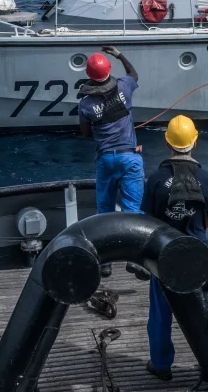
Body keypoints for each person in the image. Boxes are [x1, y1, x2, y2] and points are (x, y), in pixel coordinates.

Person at [140, 115, 208, 382]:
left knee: (160, 315)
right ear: (195, 142)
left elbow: (148, 221)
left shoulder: (155, 180)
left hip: (165, 256)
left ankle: (161, 365)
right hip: (199, 255)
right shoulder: (207, 178)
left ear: (167, 143)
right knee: (204, 312)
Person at [78, 46, 143, 277]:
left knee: (104, 211)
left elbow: (85, 133)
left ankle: (105, 262)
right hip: (129, 157)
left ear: (88, 75)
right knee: (132, 210)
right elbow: (134, 74)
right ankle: (134, 259)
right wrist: (119, 54)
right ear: (109, 70)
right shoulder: (124, 86)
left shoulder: (85, 104)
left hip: (106, 159)